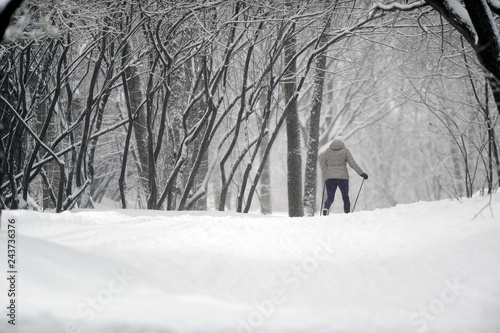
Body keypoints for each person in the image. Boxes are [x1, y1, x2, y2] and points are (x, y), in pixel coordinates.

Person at [320, 136, 368, 215]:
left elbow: (322, 164)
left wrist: (327, 171)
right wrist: (361, 173)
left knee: (330, 197)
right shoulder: (345, 151)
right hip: (343, 178)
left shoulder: (328, 151)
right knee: (345, 197)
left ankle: (326, 208)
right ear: (342, 142)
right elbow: (352, 163)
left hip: (330, 178)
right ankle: (347, 214)